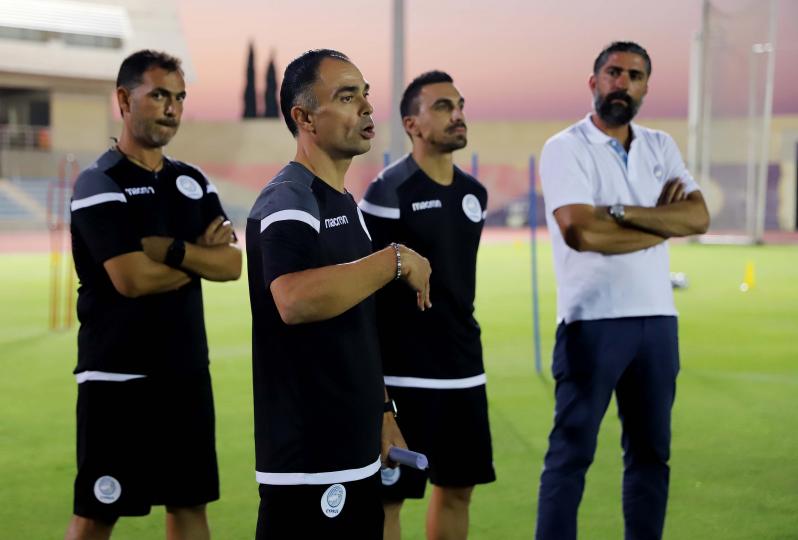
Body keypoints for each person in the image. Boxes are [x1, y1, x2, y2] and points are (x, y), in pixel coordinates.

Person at [245, 49, 432, 540]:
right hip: (309, 466)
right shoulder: (288, 199)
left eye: (365, 94)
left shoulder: (345, 204)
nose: (367, 107)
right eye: (347, 97)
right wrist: (393, 260)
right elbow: (293, 299)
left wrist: (384, 412)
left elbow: (358, 328)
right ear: (304, 117)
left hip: (354, 453)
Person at [535, 41, 710, 540]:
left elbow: (698, 217)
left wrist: (619, 212)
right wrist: (661, 223)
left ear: (646, 87)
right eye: (614, 72)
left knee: (652, 455)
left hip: (658, 321)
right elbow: (581, 232)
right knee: (571, 455)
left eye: (635, 75)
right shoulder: (565, 147)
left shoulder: (660, 146)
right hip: (591, 320)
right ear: (594, 82)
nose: (623, 83)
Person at [66, 50, 241, 540]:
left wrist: (171, 250)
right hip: (117, 377)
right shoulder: (100, 182)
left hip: (186, 373)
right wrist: (199, 258)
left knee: (190, 507)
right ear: (124, 100)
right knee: (97, 513)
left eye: (179, 98)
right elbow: (132, 279)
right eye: (159, 95)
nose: (172, 108)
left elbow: (231, 265)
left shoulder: (193, 181)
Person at [360, 70, 495, 540]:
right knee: (388, 501)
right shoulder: (387, 193)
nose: (457, 114)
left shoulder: (474, 195)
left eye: (459, 105)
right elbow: (365, 296)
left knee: (458, 491)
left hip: (464, 371)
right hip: (404, 376)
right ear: (411, 124)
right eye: (442, 106)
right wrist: (378, 393)